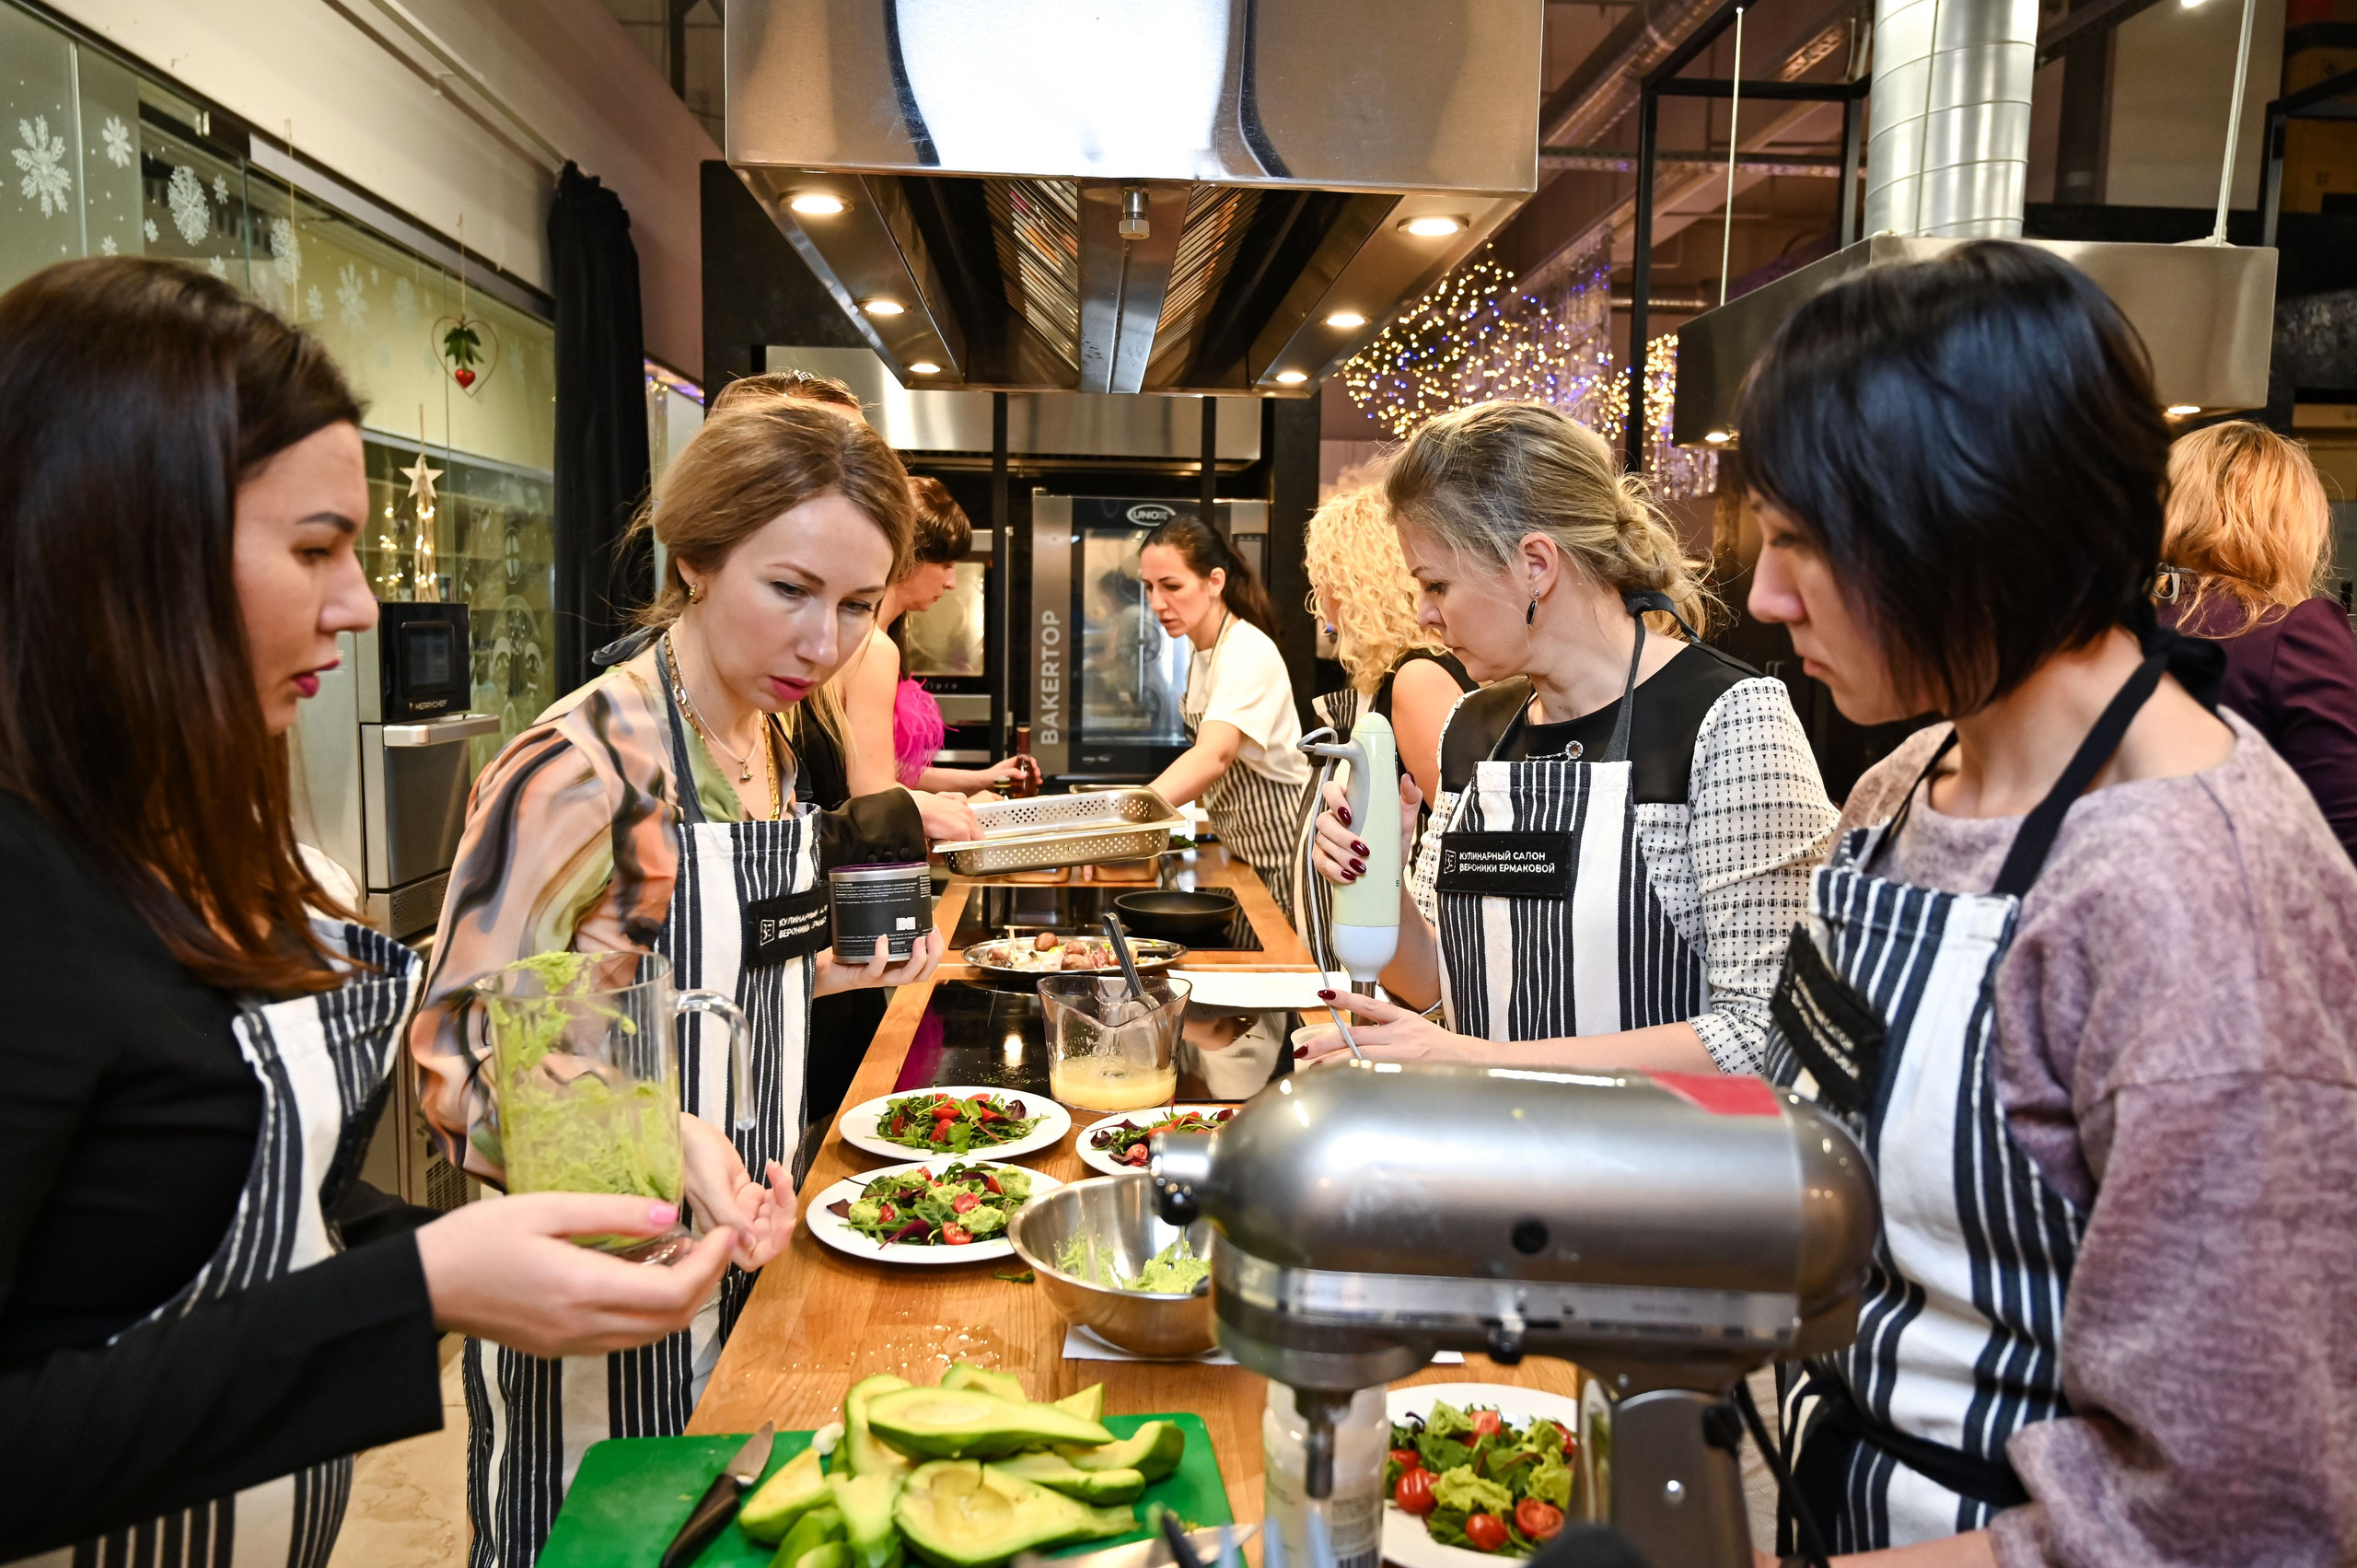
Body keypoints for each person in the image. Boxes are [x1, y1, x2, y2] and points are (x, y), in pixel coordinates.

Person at [0, 259, 735, 1561]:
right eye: (314, 548)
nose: (361, 602)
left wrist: (478, 1247)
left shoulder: (191, 836)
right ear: (120, 547)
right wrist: (426, 1285)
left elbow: (235, 1235)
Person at [1740, 242, 2357, 1562]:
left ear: (1967, 522)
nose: (1763, 594)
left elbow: (2232, 1514)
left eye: (1802, 541)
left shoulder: (2194, 895)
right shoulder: (1906, 784)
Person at [414, 401, 971, 1567]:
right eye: (790, 589)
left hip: (745, 1270)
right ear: (695, 557)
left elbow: (691, 976)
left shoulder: (763, 745)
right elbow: (460, 1053)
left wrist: (828, 972)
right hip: (597, 1301)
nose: (824, 643)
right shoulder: (578, 767)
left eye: (858, 605)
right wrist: (654, 1135)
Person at [1302, 401, 1837, 1074]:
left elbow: (1766, 1029)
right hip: (1502, 1159)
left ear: (1535, 564)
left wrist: (1481, 1058)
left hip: (1654, 1171)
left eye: (1437, 584)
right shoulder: (1474, 727)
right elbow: (1444, 983)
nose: (1423, 615)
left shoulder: (1727, 718)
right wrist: (1380, 878)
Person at [2157, 419, 2357, 862]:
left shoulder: (2111, 627)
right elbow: (2344, 834)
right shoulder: (2294, 634)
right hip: (2249, 915)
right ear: (2289, 528)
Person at [1293, 484, 1479, 945]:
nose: (1318, 598)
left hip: (1408, 976)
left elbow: (1471, 834)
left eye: (1324, 578)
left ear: (1354, 580)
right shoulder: (1385, 683)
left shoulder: (1416, 679)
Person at [1140, 514, 1314, 923]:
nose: (1156, 603)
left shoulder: (1245, 651)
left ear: (1215, 581)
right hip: (1245, 856)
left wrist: (1132, 813)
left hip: (1286, 862)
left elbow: (1213, 756)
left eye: (1171, 586)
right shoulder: (1204, 652)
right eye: (1148, 587)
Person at [844, 476, 1039, 796]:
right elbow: (873, 794)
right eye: (946, 564)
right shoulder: (873, 649)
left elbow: (889, 770)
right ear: (909, 557)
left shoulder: (877, 637)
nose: (952, 582)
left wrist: (983, 779)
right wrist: (958, 807)